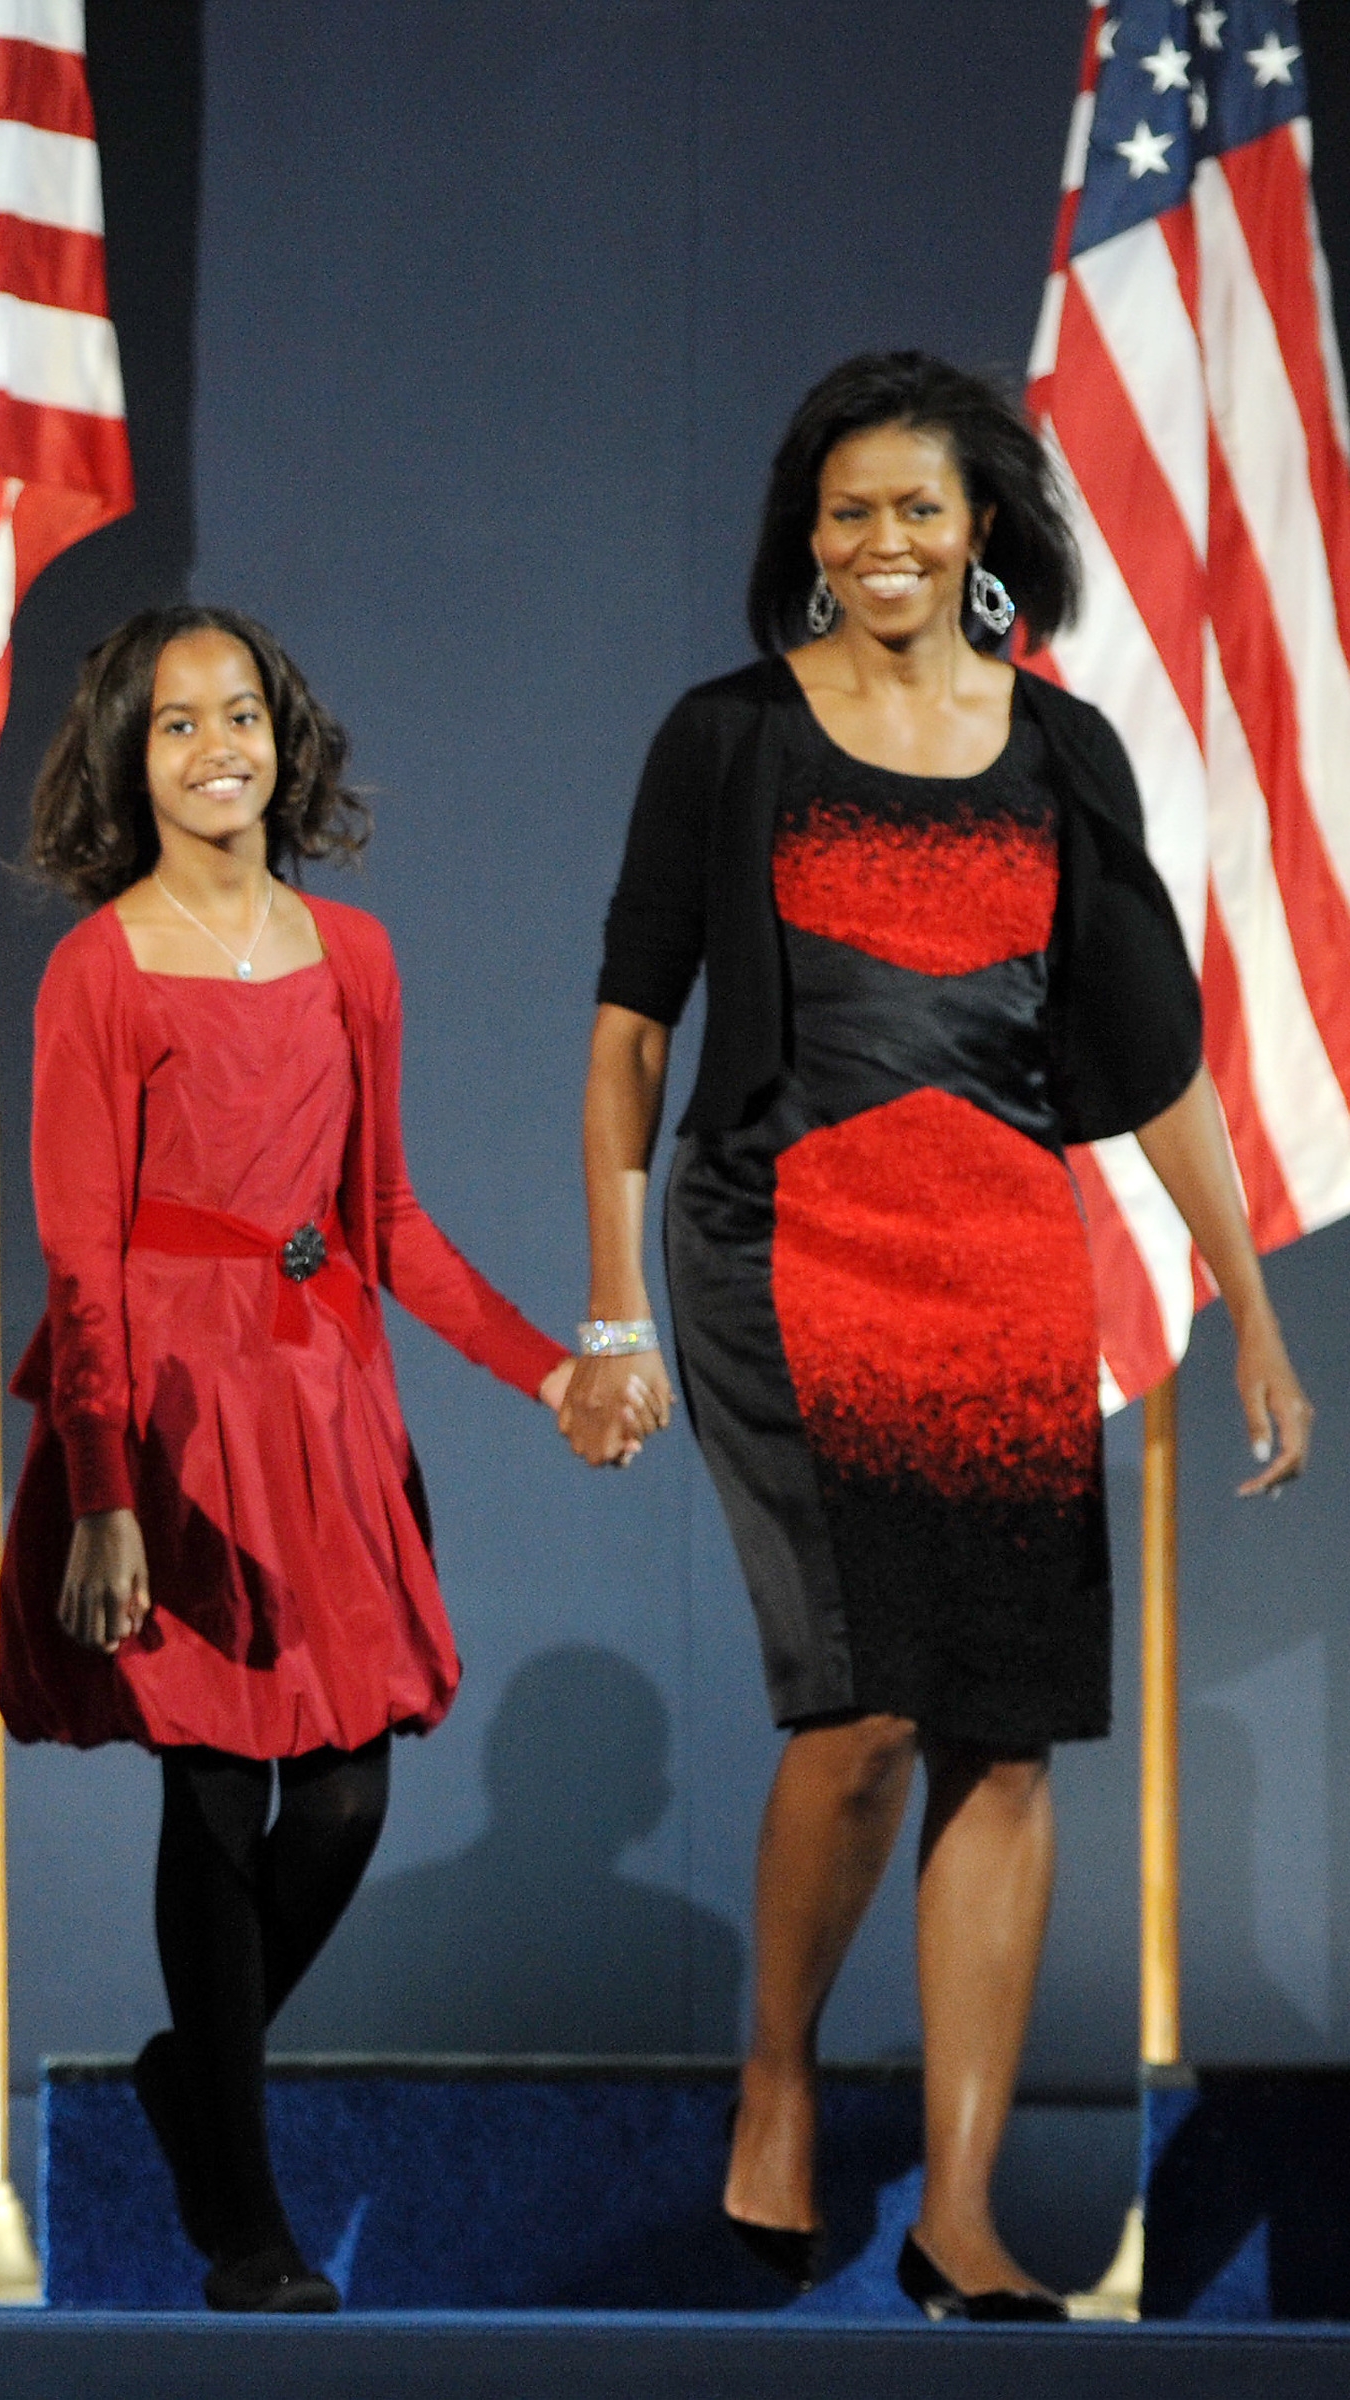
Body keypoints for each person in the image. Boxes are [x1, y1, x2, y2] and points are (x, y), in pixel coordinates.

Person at [569, 352, 1313, 2320]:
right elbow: (630, 1038)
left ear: (982, 523)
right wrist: (611, 1303)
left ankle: (962, 2214)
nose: (881, 541)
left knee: (1002, 1736)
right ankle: (784, 2067)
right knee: (868, 1709)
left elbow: (1153, 1066)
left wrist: (1252, 1314)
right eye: (846, 510)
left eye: (917, 506)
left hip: (1000, 1260)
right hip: (776, 1248)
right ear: (803, 537)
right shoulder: (725, 737)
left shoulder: (1064, 752)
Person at [0, 605, 580, 2313]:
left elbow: (386, 1216)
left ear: (283, 736)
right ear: (132, 760)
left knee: (344, 1792)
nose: (213, 746)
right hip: (167, 1418)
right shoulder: (99, 967)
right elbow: (82, 1256)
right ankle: (245, 2228)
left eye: (237, 713)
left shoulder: (356, 956)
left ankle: (195, 2077)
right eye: (175, 724)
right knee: (211, 1787)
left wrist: (547, 1371)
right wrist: (103, 1488)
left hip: (320, 1400)